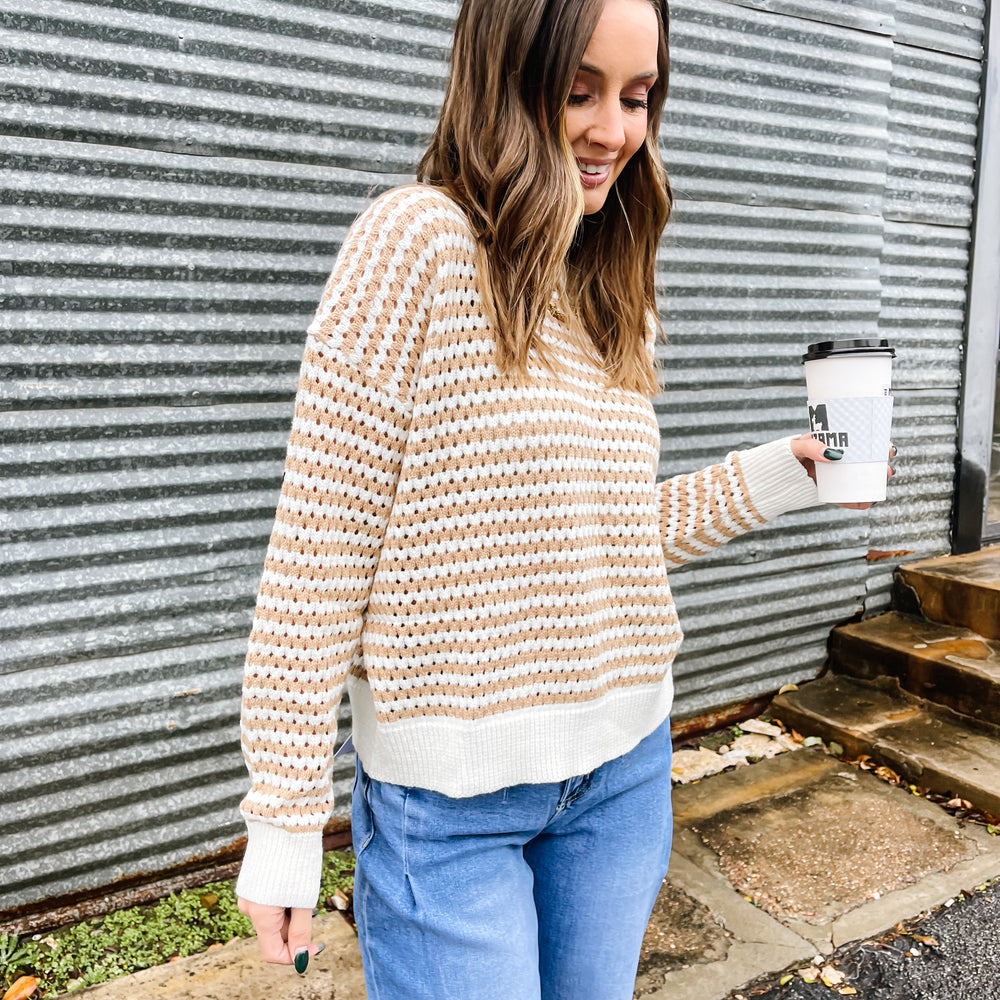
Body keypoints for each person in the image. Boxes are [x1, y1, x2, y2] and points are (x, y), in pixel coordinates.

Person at [234, 0, 885, 996]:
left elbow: (598, 539)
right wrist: (281, 818)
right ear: (502, 77)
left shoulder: (612, 282)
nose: (613, 131)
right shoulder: (415, 243)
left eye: (637, 97)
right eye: (578, 91)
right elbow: (316, 558)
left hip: (620, 768)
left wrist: (776, 475)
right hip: (448, 802)